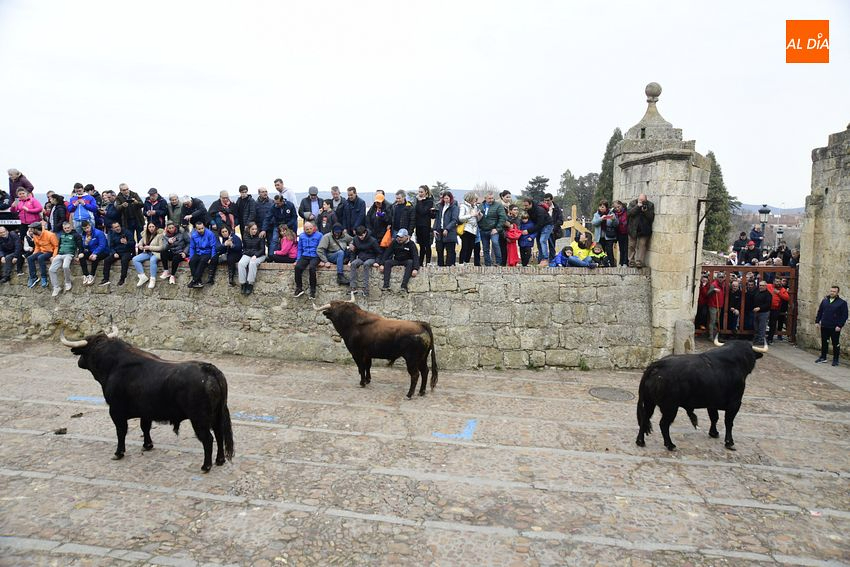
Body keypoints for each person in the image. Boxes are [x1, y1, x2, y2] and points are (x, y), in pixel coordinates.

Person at [815, 286, 847, 366]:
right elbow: (820, 311)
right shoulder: (825, 300)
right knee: (824, 342)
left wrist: (840, 325)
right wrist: (817, 321)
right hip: (825, 325)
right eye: (831, 291)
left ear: (837, 292)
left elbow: (844, 315)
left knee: (835, 343)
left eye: (834, 291)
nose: (832, 292)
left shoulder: (842, 303)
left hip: (835, 327)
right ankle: (823, 357)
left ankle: (835, 360)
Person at [48, 222, 82, 297]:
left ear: (71, 227)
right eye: (65, 228)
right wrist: (54, 255)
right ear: (63, 228)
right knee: (51, 269)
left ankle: (68, 282)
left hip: (69, 254)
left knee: (65, 266)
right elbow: (59, 245)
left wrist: (77, 255)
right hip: (60, 254)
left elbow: (80, 246)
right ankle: (56, 287)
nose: (67, 229)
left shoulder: (76, 235)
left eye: (68, 228)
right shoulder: (61, 235)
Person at [348, 225, 381, 297]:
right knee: (353, 264)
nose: (361, 237)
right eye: (359, 236)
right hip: (361, 257)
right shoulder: (356, 239)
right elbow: (354, 251)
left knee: (366, 264)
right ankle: (353, 287)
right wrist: (351, 260)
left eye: (362, 235)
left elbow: (379, 252)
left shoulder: (372, 240)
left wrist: (377, 262)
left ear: (365, 232)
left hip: (371, 257)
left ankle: (365, 288)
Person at [100, 221, 136, 287]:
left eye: (118, 226)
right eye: (115, 227)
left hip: (127, 251)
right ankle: (105, 278)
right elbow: (111, 246)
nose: (117, 228)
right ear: (113, 229)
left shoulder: (127, 232)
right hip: (117, 252)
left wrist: (126, 242)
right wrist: (114, 253)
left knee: (124, 260)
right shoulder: (113, 234)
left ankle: (122, 279)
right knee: (107, 260)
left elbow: (133, 243)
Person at [520, 197, 552, 267]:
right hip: (538, 226)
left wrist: (528, 231)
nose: (525, 207)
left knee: (542, 240)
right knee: (538, 243)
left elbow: (540, 224)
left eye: (526, 205)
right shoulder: (529, 210)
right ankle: (540, 260)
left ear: (530, 204)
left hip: (547, 225)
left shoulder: (539, 210)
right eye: (524, 205)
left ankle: (545, 259)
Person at [293, 221, 322, 299]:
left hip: (315, 256)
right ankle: (299, 288)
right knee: (297, 267)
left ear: (313, 228)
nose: (309, 230)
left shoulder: (319, 235)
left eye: (310, 228)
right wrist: (297, 260)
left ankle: (313, 291)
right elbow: (300, 249)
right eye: (307, 229)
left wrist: (323, 260)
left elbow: (322, 248)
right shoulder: (302, 236)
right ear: (304, 229)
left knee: (312, 268)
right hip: (305, 255)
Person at [132, 222, 164, 288]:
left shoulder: (160, 235)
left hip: (156, 253)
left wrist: (149, 247)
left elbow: (161, 247)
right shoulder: (146, 234)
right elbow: (141, 241)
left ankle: (153, 279)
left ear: (155, 227)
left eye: (153, 226)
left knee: (152, 260)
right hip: (148, 253)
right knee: (135, 259)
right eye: (150, 227)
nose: (151, 228)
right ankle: (142, 276)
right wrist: (140, 245)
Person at [237, 222, 266, 295]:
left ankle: (250, 284)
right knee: (241, 264)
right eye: (252, 229)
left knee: (252, 263)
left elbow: (262, 250)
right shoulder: (245, 236)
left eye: (256, 229)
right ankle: (243, 284)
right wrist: (248, 254)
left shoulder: (260, 236)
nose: (254, 231)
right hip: (248, 254)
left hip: (259, 255)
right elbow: (244, 248)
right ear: (249, 229)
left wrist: (255, 255)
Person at [626, 193, 654, 268]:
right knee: (632, 245)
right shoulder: (632, 203)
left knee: (642, 245)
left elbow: (651, 217)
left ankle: (639, 262)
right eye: (640, 200)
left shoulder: (650, 205)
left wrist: (645, 211)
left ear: (646, 199)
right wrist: (637, 207)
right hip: (633, 228)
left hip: (644, 229)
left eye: (643, 201)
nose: (642, 202)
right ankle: (631, 261)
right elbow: (629, 213)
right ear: (638, 199)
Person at [26, 222, 58, 288]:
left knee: (40, 257)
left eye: (32, 229)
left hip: (50, 251)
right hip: (42, 251)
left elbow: (56, 246)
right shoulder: (35, 236)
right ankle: (33, 277)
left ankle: (44, 278)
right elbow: (37, 246)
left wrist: (54, 256)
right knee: (30, 258)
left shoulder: (50, 235)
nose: (30, 231)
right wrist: (34, 255)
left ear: (36, 229)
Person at [187, 220, 217, 288]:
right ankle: (198, 281)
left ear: (204, 227)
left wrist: (212, 258)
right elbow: (192, 247)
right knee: (192, 262)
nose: (201, 230)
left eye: (202, 228)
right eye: (199, 229)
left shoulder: (210, 234)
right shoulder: (194, 235)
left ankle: (194, 280)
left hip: (207, 252)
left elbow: (213, 247)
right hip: (198, 252)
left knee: (202, 261)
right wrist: (191, 257)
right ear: (196, 229)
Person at [78, 220, 109, 285]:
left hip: (103, 251)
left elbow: (102, 245)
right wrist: (86, 242)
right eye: (84, 229)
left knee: (94, 258)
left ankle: (92, 275)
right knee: (81, 256)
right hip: (91, 251)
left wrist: (94, 253)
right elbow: (85, 247)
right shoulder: (84, 234)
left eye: (87, 228)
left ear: (90, 225)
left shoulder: (98, 233)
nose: (86, 230)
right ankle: (86, 275)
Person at [432, 191, 459, 266]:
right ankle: (440, 267)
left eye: (447, 198)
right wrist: (434, 229)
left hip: (450, 231)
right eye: (444, 198)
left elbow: (454, 220)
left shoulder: (454, 207)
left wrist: (447, 229)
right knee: (439, 249)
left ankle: (449, 267)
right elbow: (437, 219)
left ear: (450, 198)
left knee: (450, 251)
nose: (445, 200)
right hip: (439, 230)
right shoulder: (440, 206)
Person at [591, 200, 618, 266]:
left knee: (609, 251)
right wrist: (601, 219)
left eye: (603, 207)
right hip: (599, 237)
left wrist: (613, 219)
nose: (601, 208)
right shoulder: (596, 214)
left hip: (609, 236)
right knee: (600, 251)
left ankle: (612, 265)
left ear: (606, 207)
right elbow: (594, 223)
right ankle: (601, 264)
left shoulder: (611, 213)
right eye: (600, 206)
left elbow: (616, 224)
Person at [414, 185, 435, 266]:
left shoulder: (429, 201)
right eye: (419, 192)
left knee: (427, 245)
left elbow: (423, 211)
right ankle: (420, 262)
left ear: (426, 192)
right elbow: (416, 211)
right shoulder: (417, 200)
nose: (420, 194)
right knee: (421, 245)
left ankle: (428, 262)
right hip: (418, 225)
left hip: (425, 225)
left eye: (421, 192)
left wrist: (420, 201)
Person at [457, 192, 480, 266]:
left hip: (473, 230)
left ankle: (466, 262)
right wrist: (471, 215)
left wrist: (479, 216)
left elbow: (477, 219)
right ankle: (461, 263)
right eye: (475, 199)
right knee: (465, 246)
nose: (476, 201)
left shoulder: (475, 207)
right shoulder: (463, 206)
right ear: (470, 199)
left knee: (471, 247)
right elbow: (460, 218)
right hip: (466, 229)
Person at [766, 279, 790, 345]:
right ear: (773, 282)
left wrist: (779, 293)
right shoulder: (769, 286)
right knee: (764, 322)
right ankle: (762, 337)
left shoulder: (782, 289)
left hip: (775, 309)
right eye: (777, 281)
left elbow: (787, 297)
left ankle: (770, 338)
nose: (778, 283)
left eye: (779, 281)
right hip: (766, 307)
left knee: (773, 324)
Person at [751, 280, 772, 349]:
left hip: (764, 312)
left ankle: (761, 340)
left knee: (762, 327)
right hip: (756, 312)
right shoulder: (757, 292)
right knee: (756, 326)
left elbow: (768, 305)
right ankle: (756, 339)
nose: (761, 287)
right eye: (760, 285)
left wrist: (759, 308)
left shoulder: (768, 294)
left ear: (766, 286)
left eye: (763, 285)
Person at [706, 271, 726, 344]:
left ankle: (715, 334)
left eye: (722, 277)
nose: (721, 279)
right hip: (713, 305)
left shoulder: (723, 284)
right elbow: (708, 294)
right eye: (720, 277)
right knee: (713, 321)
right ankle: (711, 336)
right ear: (717, 278)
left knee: (717, 321)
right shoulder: (713, 285)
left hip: (719, 305)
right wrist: (713, 290)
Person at [543, 194, 564, 262]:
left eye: (548, 200)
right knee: (542, 244)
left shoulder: (557, 209)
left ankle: (552, 260)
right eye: (545, 200)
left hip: (553, 230)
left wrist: (553, 227)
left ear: (552, 200)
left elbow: (560, 220)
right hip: (543, 229)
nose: (546, 202)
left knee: (552, 246)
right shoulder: (542, 208)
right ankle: (543, 259)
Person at [612, 200, 629, 266]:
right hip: (619, 232)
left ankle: (625, 262)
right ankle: (621, 262)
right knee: (621, 248)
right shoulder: (614, 213)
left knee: (626, 248)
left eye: (618, 207)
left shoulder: (626, 211)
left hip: (626, 231)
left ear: (621, 205)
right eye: (616, 208)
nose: (617, 209)